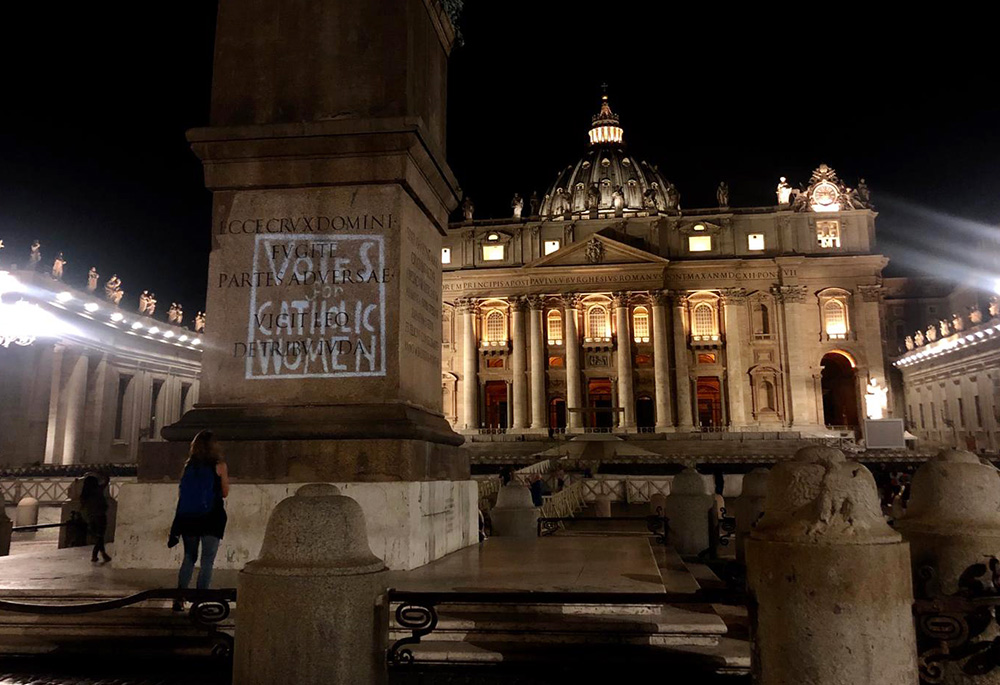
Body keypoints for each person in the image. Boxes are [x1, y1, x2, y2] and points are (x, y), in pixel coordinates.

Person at [169, 430, 229, 611]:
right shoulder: (219, 465)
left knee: (189, 558)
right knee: (207, 560)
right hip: (211, 517)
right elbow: (225, 492)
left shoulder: (188, 466)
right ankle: (200, 600)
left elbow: (182, 494)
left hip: (189, 519)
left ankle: (179, 598)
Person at [80, 473, 112, 563]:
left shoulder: (85, 495)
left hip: (91, 517)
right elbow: (106, 480)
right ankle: (97, 554)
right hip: (100, 516)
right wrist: (101, 473)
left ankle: (102, 554)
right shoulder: (98, 490)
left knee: (98, 537)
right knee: (100, 536)